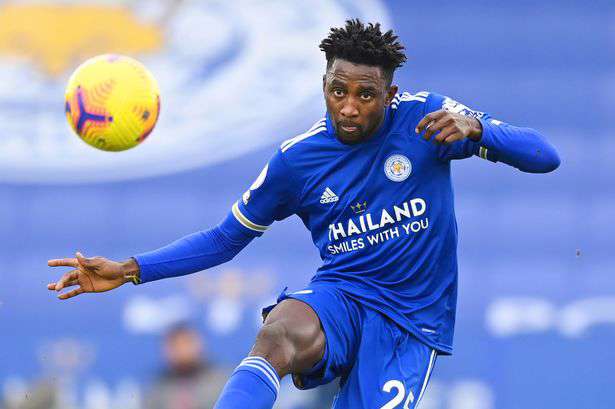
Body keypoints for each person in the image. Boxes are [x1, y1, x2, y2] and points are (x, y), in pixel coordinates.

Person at [47, 19, 560, 409]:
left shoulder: (428, 120)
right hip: (342, 294)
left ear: (390, 95)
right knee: (278, 333)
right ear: (324, 86)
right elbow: (224, 239)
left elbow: (545, 156)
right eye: (338, 91)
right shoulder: (297, 161)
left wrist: (479, 130)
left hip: (410, 320)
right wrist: (131, 269)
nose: (349, 107)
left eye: (366, 94)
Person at [145, 324, 227, 409]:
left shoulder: (221, 383)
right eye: (175, 345)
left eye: (186, 343)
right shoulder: (157, 390)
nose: (182, 350)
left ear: (199, 345)